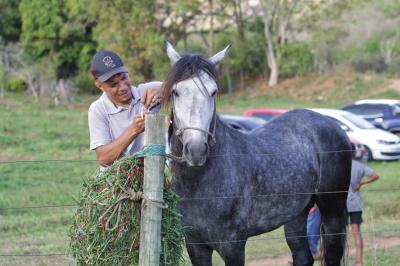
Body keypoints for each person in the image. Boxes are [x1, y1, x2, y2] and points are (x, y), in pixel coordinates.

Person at [88, 50, 162, 169]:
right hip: (115, 180)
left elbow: (186, 84)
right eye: (113, 84)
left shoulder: (145, 92)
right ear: (99, 85)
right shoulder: (98, 109)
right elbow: (103, 158)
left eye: (124, 78)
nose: (123, 87)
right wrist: (133, 130)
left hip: (152, 175)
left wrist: (163, 91)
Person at [347, 144, 379, 266]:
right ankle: (359, 261)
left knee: (339, 233)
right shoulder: (360, 166)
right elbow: (375, 175)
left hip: (341, 204)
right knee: (357, 232)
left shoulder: (340, 166)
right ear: (354, 153)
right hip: (355, 203)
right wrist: (361, 182)